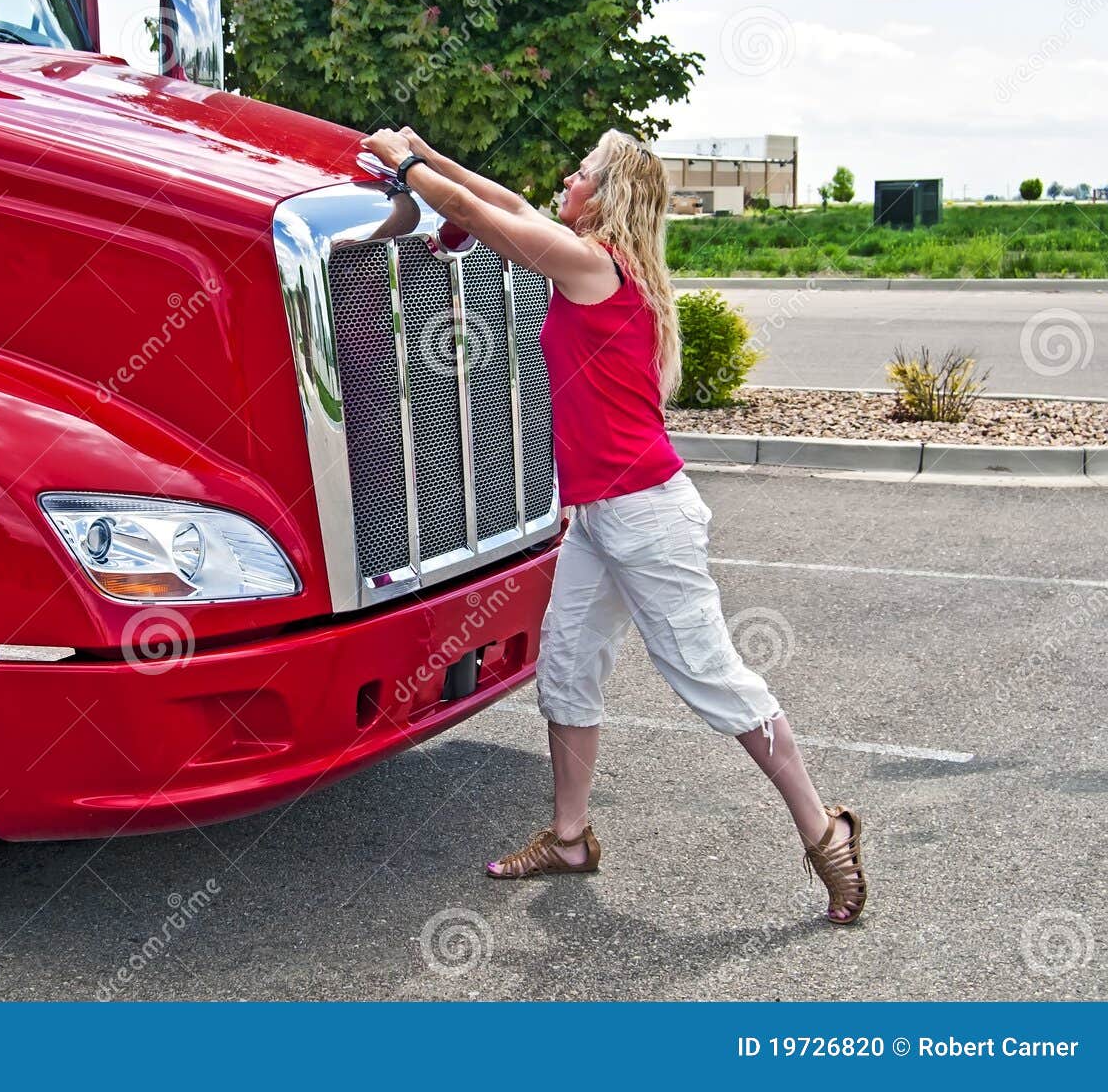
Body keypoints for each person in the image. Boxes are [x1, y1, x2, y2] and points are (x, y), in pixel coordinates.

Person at [358, 126, 867, 924]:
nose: (569, 176)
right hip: (599, 516)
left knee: (712, 678)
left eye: (584, 172)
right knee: (565, 666)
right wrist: (428, 153)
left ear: (607, 197)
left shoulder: (595, 267)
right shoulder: (590, 259)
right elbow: (507, 203)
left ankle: (823, 827)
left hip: (648, 517)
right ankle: (569, 839)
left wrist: (406, 165)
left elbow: (487, 221)